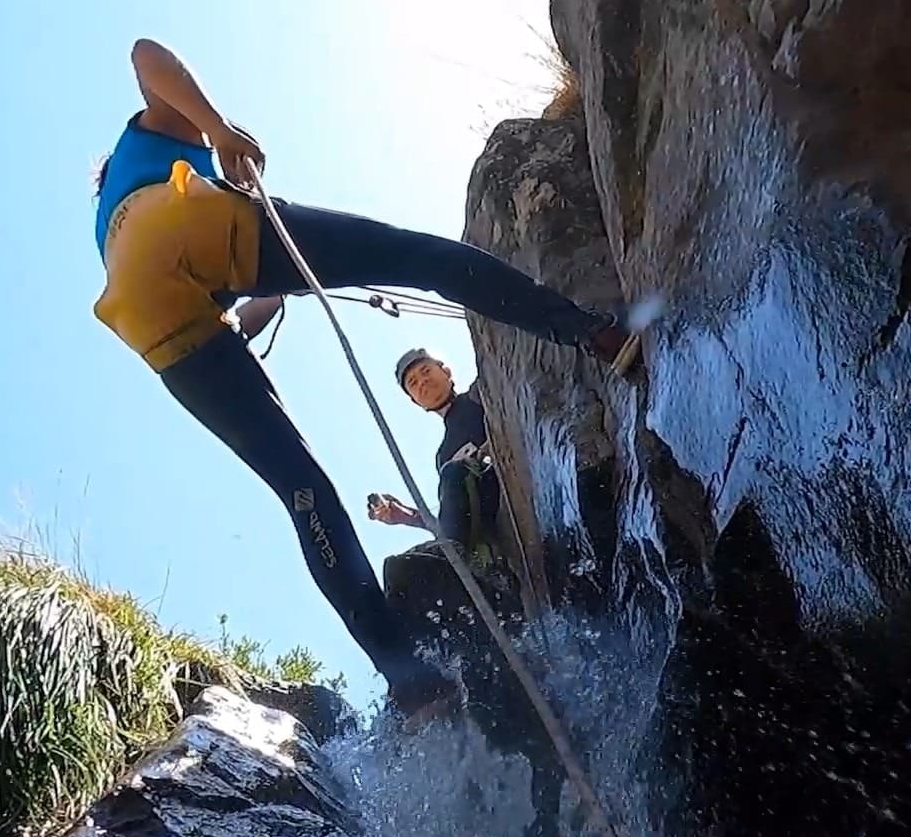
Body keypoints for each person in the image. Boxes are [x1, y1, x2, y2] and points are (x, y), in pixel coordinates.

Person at [91, 37, 636, 716]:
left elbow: (234, 305)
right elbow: (146, 54)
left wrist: (279, 289)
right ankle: (590, 330)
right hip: (182, 228)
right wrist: (220, 128)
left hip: (153, 326)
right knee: (421, 258)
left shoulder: (108, 222)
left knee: (303, 489)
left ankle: (403, 673)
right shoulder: (154, 147)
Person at [368, 350, 500, 564]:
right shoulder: (444, 455)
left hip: (520, 471)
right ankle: (466, 570)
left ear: (446, 371)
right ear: (415, 401)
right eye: (413, 382)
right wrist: (406, 516)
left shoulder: (481, 393)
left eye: (426, 371)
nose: (423, 381)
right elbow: (452, 520)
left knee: (453, 471)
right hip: (495, 518)